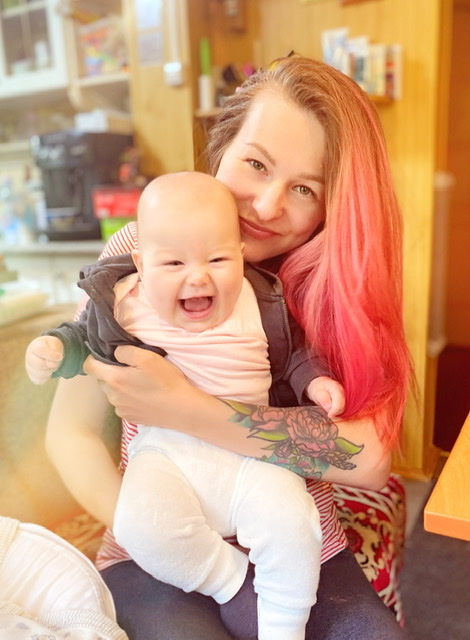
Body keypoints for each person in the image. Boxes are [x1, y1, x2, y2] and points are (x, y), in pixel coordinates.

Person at [44, 55, 413, 640]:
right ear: (220, 149)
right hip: (155, 544)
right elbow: (72, 432)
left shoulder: (331, 287)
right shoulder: (143, 252)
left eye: (304, 188)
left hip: (298, 541)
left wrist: (190, 411)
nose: (267, 206)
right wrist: (152, 532)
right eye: (256, 164)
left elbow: (367, 460)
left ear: (331, 206)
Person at [26, 171, 348, 640]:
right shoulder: (125, 300)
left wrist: (315, 381)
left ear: (239, 254)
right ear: (141, 265)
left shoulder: (260, 298)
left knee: (293, 523)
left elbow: (296, 352)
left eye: (217, 259)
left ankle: (284, 627)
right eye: (174, 263)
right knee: (142, 526)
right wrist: (54, 349)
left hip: (252, 458)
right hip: (166, 457)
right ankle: (226, 577)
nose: (197, 276)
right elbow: (84, 338)